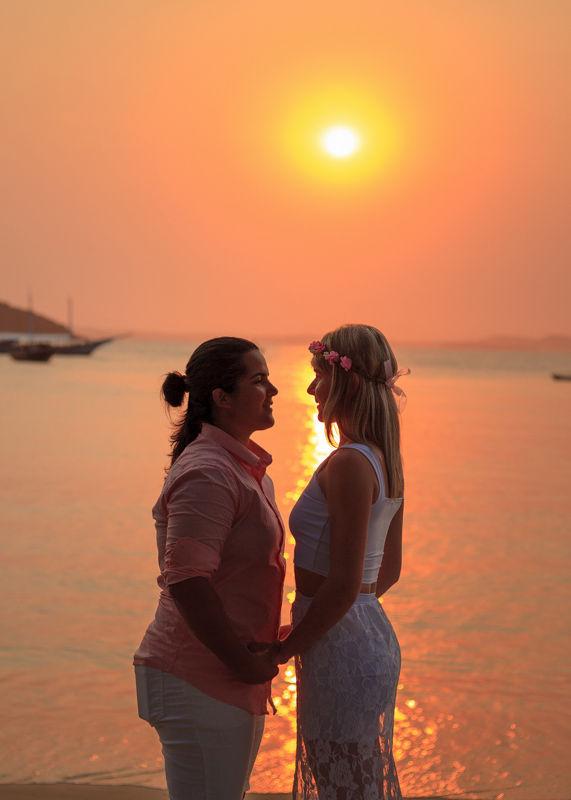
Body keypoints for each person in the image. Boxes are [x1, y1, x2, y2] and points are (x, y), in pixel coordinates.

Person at [133, 336, 286, 799]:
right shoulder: (210, 471)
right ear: (222, 397)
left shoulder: (238, 467)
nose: (273, 389)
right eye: (258, 380)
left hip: (221, 673)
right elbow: (187, 580)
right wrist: (243, 663)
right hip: (200, 673)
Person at [277, 324, 407, 799]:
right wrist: (346, 619)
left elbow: (345, 582)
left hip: (341, 643)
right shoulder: (383, 459)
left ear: (348, 382)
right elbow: (384, 573)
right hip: (364, 634)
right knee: (355, 779)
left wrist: (284, 648)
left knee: (342, 785)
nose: (311, 388)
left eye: (318, 375)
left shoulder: (351, 463)